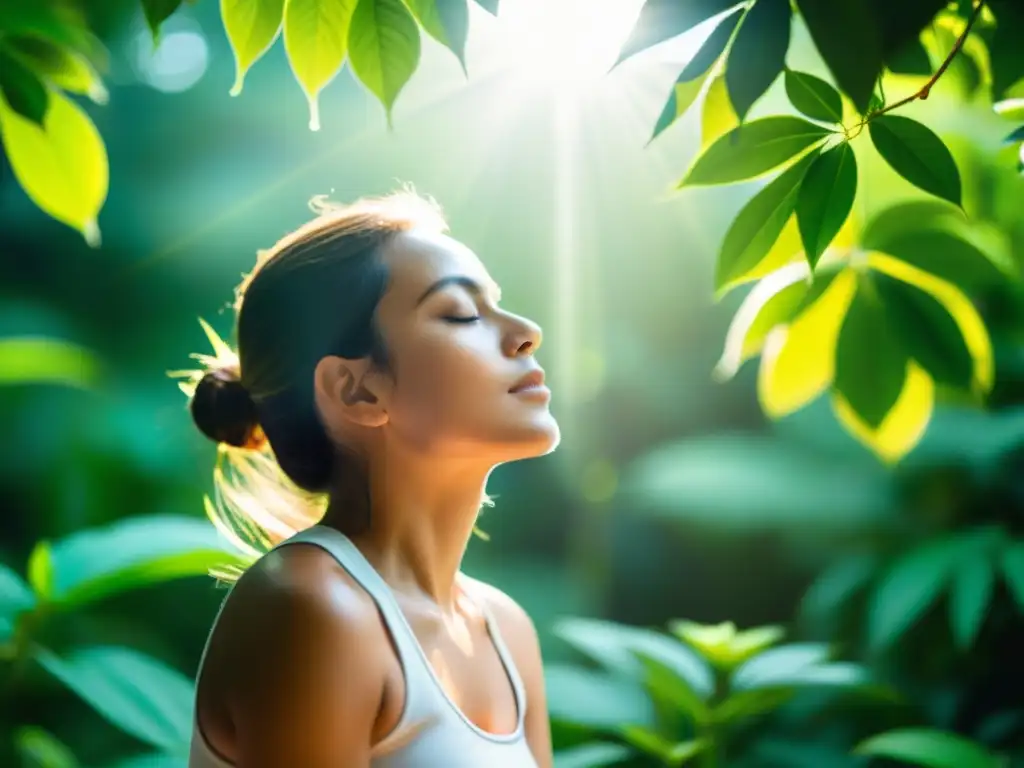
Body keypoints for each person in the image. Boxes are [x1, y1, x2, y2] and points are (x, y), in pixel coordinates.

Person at [180, 190, 559, 767]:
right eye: (461, 313)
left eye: (500, 304)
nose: (526, 331)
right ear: (357, 391)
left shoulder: (506, 631)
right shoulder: (312, 608)